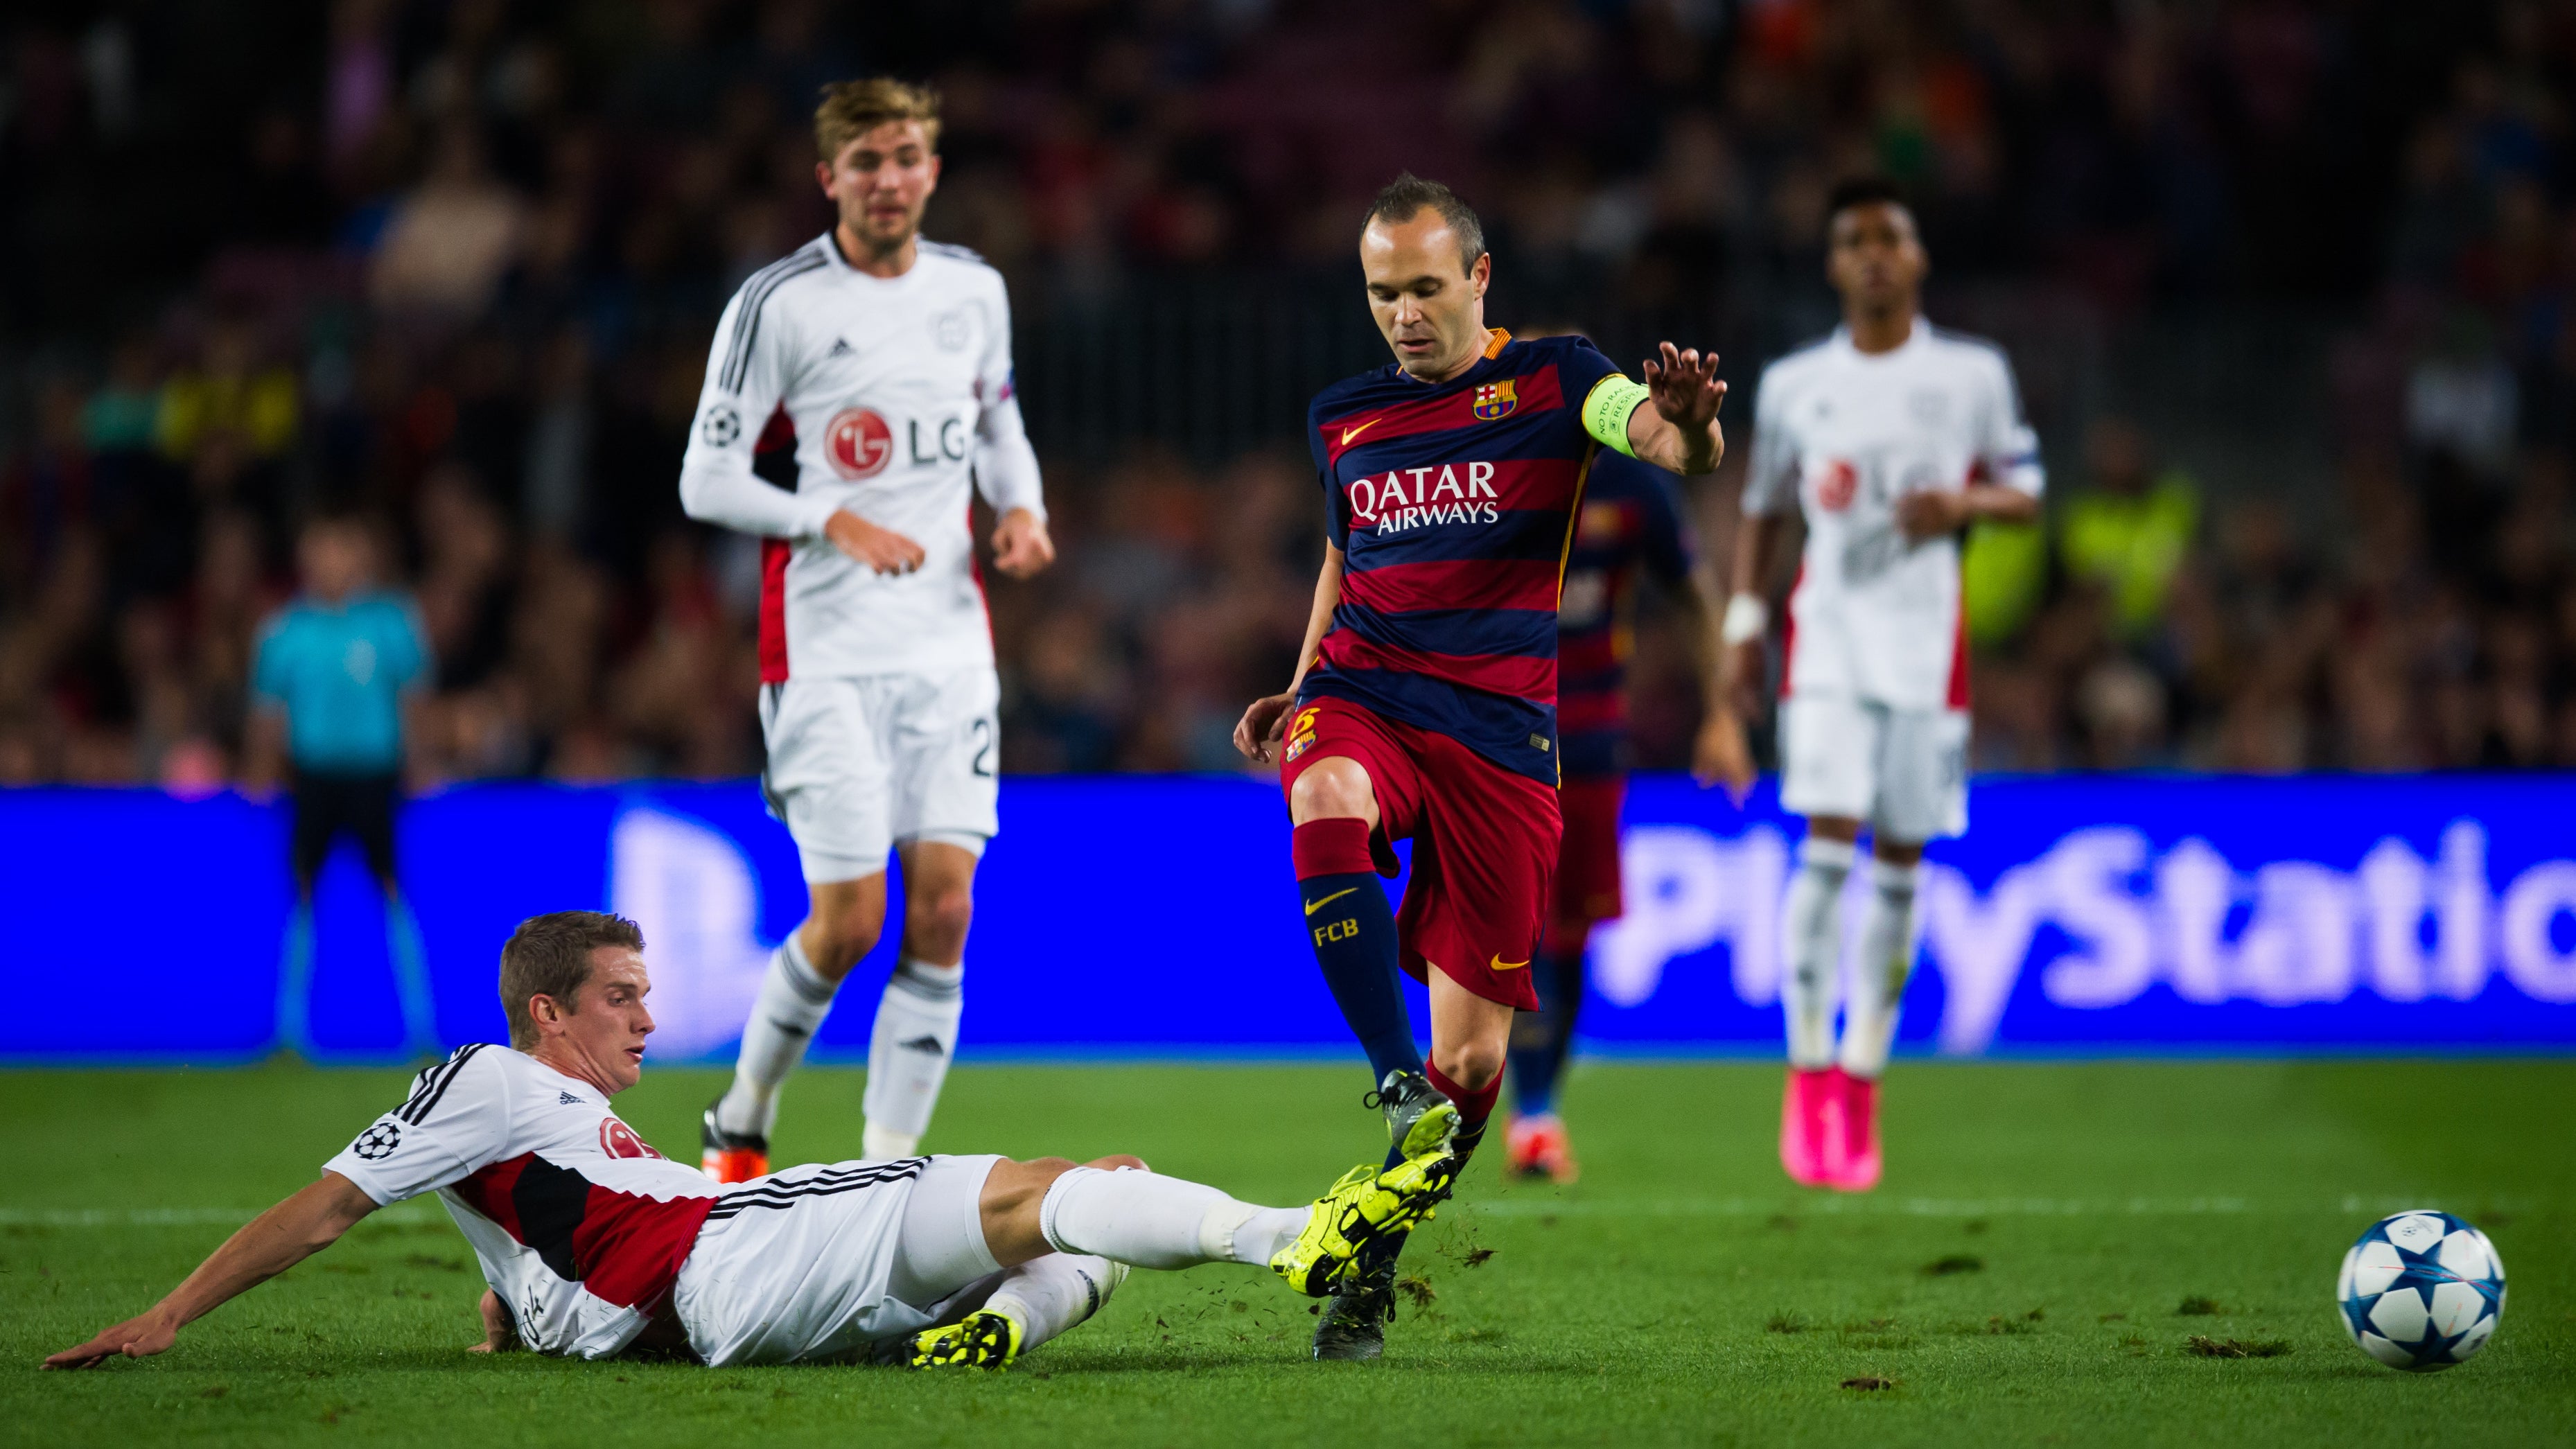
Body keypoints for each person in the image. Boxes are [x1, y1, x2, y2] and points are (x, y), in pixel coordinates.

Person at [43, 912, 1456, 1373]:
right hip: (724, 1252)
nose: (648, 1017)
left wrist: (514, 1300)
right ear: (546, 1014)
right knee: (1064, 1189)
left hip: (718, 1277)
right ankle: (1297, 1238)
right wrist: (168, 1313)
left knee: (1101, 1195)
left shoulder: (544, 1122)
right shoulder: (481, 1073)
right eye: (621, 997)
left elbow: (534, 1227)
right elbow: (329, 1204)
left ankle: (1000, 1328)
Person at [1234, 174, 1726, 1360]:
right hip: (1364, 694)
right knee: (1323, 789)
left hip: (1501, 739)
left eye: (1423, 288)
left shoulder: (1557, 377)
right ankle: (1390, 1077)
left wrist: (1691, 426)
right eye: (1381, 293)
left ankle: (1372, 1263)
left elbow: (1660, 438)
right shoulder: (1342, 415)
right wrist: (1301, 688)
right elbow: (1340, 560)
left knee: (1475, 1058)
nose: (1402, 314)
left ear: (1478, 276)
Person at [678, 78, 1054, 1179]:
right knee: (847, 921)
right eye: (866, 163)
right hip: (826, 650)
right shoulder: (778, 303)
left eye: (904, 159)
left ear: (932, 171)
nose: (887, 180)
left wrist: (1021, 507)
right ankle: (742, 1113)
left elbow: (998, 421)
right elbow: (705, 476)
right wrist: (826, 516)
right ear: (828, 177)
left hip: (949, 646)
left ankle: (886, 1170)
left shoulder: (973, 289)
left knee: (944, 910)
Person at [1724, 177, 2044, 1193]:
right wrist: (1743, 624)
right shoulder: (1795, 383)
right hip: (1824, 643)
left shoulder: (1972, 374)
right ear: (1832, 264)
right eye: (1853, 239)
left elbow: (2028, 490)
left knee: (1901, 864)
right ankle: (1807, 1069)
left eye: (1889, 237)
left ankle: (1863, 1075)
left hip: (1926, 651)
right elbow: (1765, 509)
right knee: (1826, 846)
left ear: (1917, 257)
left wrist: (1963, 504)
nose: (1872, 253)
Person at [1503, 445, 1754, 1184]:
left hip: (1589, 738)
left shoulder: (1630, 485)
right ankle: (1532, 1112)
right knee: (1522, 928)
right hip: (1495, 734)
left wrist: (1722, 714)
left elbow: (1695, 594)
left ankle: (1538, 1108)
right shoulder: (1497, 464)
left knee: (1570, 935)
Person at [245, 511, 437, 1059]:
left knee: (392, 889)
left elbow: (414, 697)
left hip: (374, 773)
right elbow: (268, 709)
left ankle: (421, 1025)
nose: (331, 563)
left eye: (341, 550)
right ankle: (288, 1029)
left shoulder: (390, 622)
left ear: (360, 558)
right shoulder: (286, 629)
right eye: (322, 551)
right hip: (313, 776)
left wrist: (421, 761)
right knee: (303, 891)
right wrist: (260, 767)